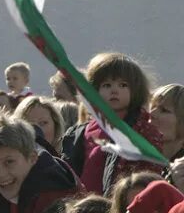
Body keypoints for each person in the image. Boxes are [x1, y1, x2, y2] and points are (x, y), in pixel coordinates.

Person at [66, 52, 164, 195]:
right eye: (106, 85)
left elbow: (150, 176)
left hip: (121, 207)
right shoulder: (81, 131)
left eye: (123, 85)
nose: (114, 90)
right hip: (84, 208)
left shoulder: (143, 131)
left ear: (136, 90)